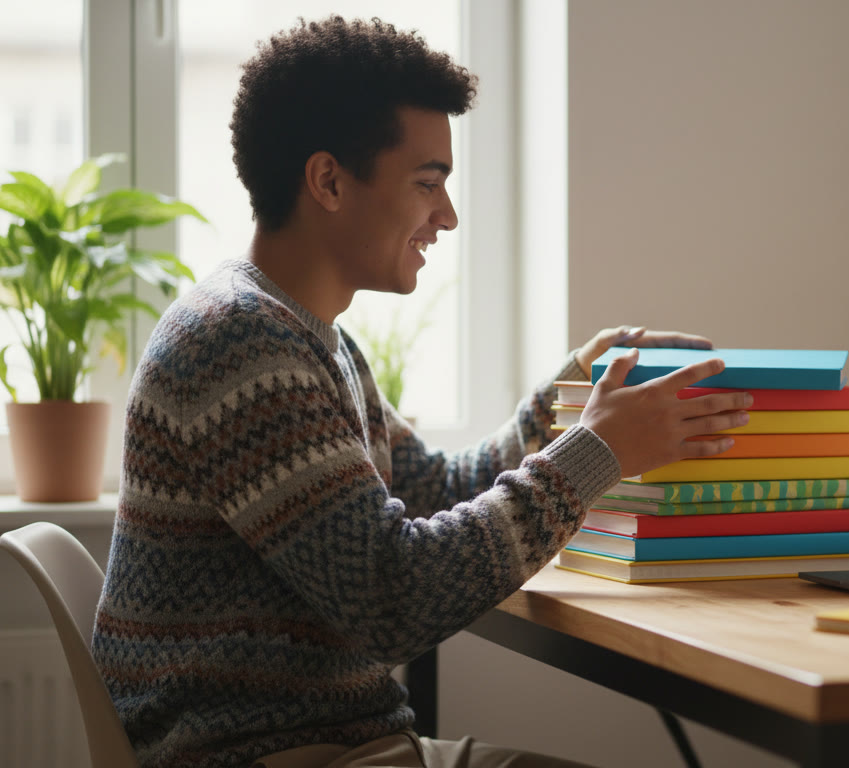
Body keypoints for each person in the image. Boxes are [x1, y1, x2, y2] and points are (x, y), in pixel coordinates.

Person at [91, 15, 750, 768]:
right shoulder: (241, 345)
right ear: (329, 180)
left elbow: (435, 488)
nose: (447, 215)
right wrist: (595, 452)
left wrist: (562, 401)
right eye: (428, 183)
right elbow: (393, 598)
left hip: (328, 744)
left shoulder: (308, 338)